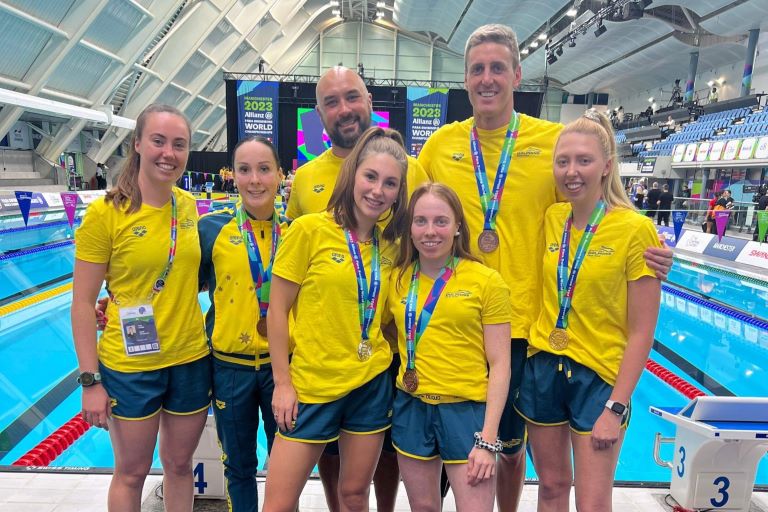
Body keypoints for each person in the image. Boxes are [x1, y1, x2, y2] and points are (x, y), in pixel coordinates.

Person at [417, 24, 674, 512]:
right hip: (451, 322)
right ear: (466, 80)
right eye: (477, 69)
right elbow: (410, 220)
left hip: (526, 330)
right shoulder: (439, 147)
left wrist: (653, 246)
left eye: (497, 68)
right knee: (452, 444)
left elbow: (595, 215)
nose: (487, 78)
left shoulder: (555, 143)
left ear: (517, 74)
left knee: (511, 452)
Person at [285, 65, 427, 512]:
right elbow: (286, 261)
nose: (344, 109)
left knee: (382, 454)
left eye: (352, 97)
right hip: (323, 357)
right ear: (319, 114)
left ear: (370, 101)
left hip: (388, 351)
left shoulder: (413, 167)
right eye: (331, 101)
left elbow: (433, 238)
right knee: (332, 461)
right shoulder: (307, 180)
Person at [516, 109, 661, 511]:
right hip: (544, 367)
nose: (571, 171)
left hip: (599, 378)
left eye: (584, 160)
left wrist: (616, 406)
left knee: (593, 502)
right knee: (550, 488)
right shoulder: (553, 217)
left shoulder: (635, 230)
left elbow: (642, 331)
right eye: (563, 161)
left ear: (606, 166)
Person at [72, 104, 211, 510]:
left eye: (179, 144)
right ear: (137, 144)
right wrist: (90, 381)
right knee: (131, 473)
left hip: (188, 358)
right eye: (159, 141)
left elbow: (185, 276)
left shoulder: (187, 206)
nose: (169, 152)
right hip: (131, 367)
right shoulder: (105, 214)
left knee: (181, 465)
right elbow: (81, 303)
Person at [263, 127, 409, 512]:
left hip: (370, 384)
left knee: (355, 495)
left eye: (390, 183)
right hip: (311, 385)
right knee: (277, 503)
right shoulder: (309, 230)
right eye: (371, 177)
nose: (378, 190)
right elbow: (276, 310)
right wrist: (283, 382)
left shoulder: (391, 244)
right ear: (353, 175)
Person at [388, 183, 511, 512]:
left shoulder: (486, 281)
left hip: (467, 413)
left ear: (458, 226)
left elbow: (500, 364)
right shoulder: (397, 280)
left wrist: (487, 438)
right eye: (420, 221)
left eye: (441, 221)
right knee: (423, 508)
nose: (430, 231)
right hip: (412, 408)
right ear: (410, 228)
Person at [198, 136, 287, 511]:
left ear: (280, 175)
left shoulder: (298, 232)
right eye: (245, 169)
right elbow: (179, 285)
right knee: (239, 467)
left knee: (285, 468)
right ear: (232, 175)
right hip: (229, 368)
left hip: (284, 371)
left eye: (264, 169)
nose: (254, 180)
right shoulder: (210, 229)